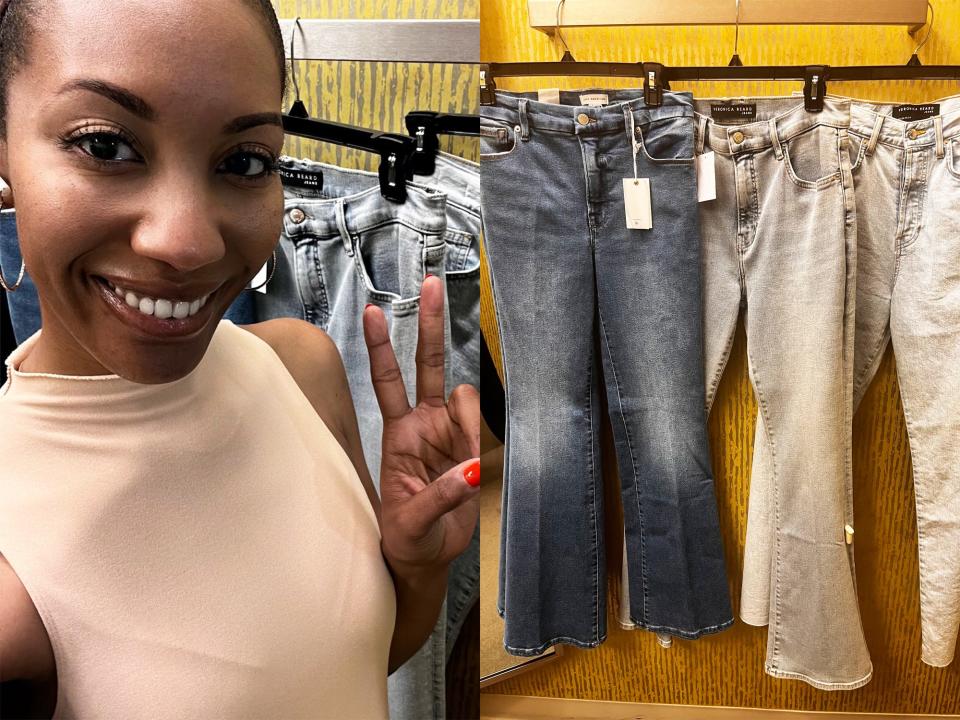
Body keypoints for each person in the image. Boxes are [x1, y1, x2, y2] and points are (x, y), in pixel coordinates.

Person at [0, 0, 480, 717]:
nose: (188, 242)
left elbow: (355, 662)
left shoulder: (299, 363)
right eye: (106, 147)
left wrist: (417, 568)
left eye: (244, 161)